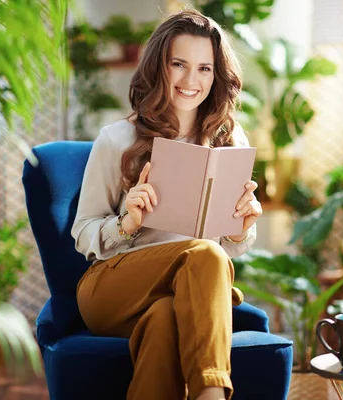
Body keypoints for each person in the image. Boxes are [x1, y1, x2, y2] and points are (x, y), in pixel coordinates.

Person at [72, 9, 262, 400]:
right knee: (206, 255)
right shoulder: (117, 139)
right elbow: (83, 231)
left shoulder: (230, 141)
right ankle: (212, 394)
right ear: (160, 66)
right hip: (111, 289)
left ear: (217, 75)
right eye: (179, 64)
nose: (192, 80)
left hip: (179, 296)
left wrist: (241, 225)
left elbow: (230, 246)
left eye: (205, 69)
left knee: (164, 319)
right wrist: (127, 222)